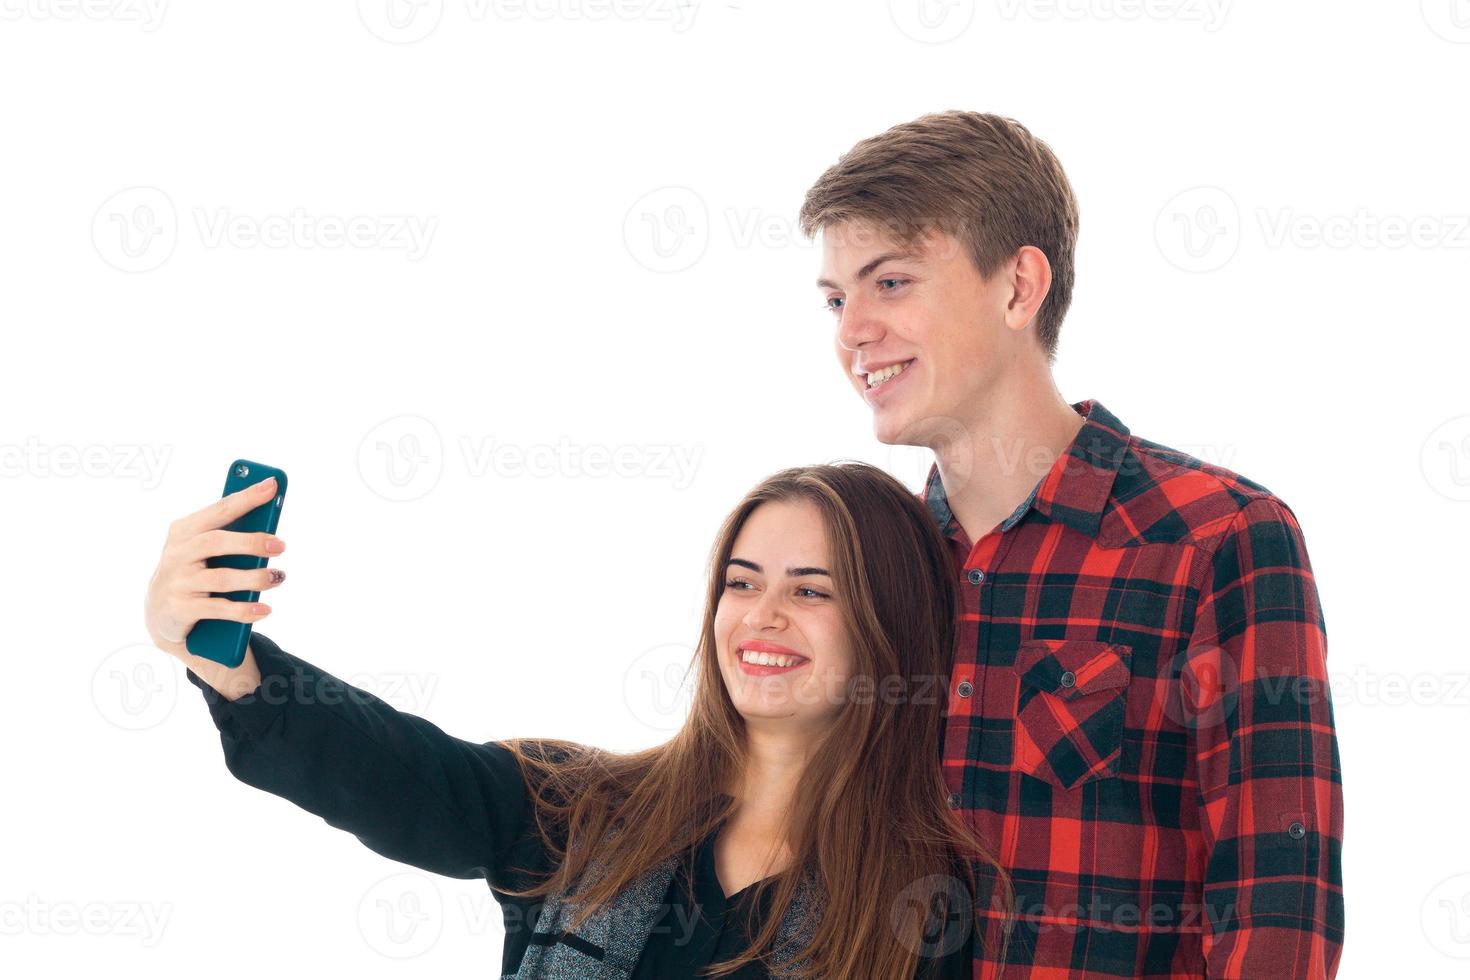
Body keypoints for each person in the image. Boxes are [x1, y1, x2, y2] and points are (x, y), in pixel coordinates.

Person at [799, 110, 1344, 978]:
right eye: (835, 299)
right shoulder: (870, 563)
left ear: (1019, 288)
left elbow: (1280, 905)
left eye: (890, 283)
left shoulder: (1217, 537)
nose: (850, 331)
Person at [143, 461, 1010, 979]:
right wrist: (231, 663)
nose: (763, 615)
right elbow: (397, 774)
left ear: (891, 625)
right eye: (742, 582)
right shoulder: (580, 809)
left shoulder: (923, 901)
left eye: (811, 590)